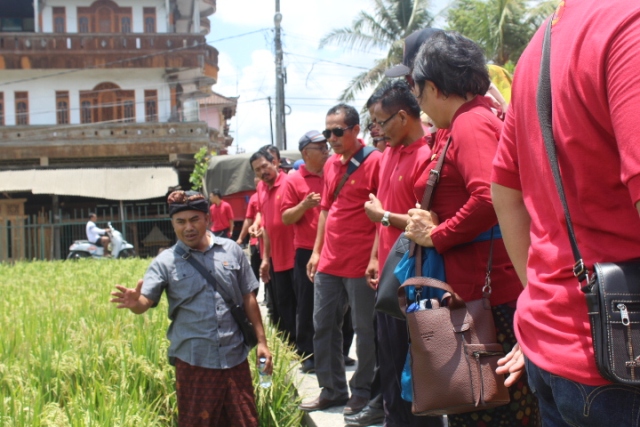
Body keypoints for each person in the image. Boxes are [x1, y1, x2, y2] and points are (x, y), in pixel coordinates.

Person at [491, 1, 640, 425]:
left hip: (555, 343)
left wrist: (542, 291)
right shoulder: (628, 23)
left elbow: (505, 190)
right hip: (619, 368)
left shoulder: (540, 45)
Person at [406, 31, 538, 426]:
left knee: (491, 404)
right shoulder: (472, 118)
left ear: (432, 87)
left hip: (490, 296)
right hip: (483, 289)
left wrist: (438, 234)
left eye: (418, 92)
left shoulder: (470, 123)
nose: (420, 103)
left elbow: (487, 198)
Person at [109, 190, 271, 427]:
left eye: (194, 219)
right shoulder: (164, 262)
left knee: (245, 421)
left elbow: (248, 298)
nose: (188, 227)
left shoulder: (231, 251)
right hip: (194, 360)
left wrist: (262, 343)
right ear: (172, 224)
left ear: (207, 219)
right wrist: (136, 304)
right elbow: (146, 301)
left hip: (234, 356)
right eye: (180, 221)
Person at [363, 80, 442, 427]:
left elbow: (427, 222)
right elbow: (380, 213)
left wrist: (381, 215)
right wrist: (375, 258)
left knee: (416, 373)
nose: (377, 131)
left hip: (415, 282)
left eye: (380, 122)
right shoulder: (388, 153)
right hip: (388, 281)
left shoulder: (428, 154)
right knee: (391, 365)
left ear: (404, 116)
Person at [300, 104, 382, 416]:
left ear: (355, 130)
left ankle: (362, 392)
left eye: (337, 131)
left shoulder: (375, 161)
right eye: (327, 132)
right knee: (322, 326)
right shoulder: (332, 165)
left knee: (364, 330)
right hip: (330, 262)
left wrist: (375, 257)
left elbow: (380, 215)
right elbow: (325, 209)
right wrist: (317, 251)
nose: (331, 138)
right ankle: (332, 390)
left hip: (361, 262)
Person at [281, 130, 355, 374]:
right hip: (307, 252)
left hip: (338, 249)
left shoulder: (335, 171)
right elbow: (286, 217)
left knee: (344, 305)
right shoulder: (293, 179)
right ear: (305, 153)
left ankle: (341, 353)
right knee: (308, 304)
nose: (326, 150)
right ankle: (308, 355)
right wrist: (304, 205)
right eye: (320, 148)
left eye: (326, 146)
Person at [250, 149, 297, 344]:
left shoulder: (290, 182)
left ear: (275, 163)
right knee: (280, 303)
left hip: (295, 254)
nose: (262, 172)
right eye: (257, 170)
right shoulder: (261, 188)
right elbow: (267, 225)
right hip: (275, 257)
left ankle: (302, 346)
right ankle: (288, 344)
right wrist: (266, 259)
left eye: (265, 166)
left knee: (298, 304)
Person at [236, 177, 262, 283]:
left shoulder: (270, 195)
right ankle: (253, 295)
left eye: (259, 183)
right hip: (255, 240)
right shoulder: (254, 198)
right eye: (256, 185)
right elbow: (248, 220)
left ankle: (269, 297)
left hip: (269, 240)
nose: (258, 187)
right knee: (254, 270)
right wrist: (241, 238)